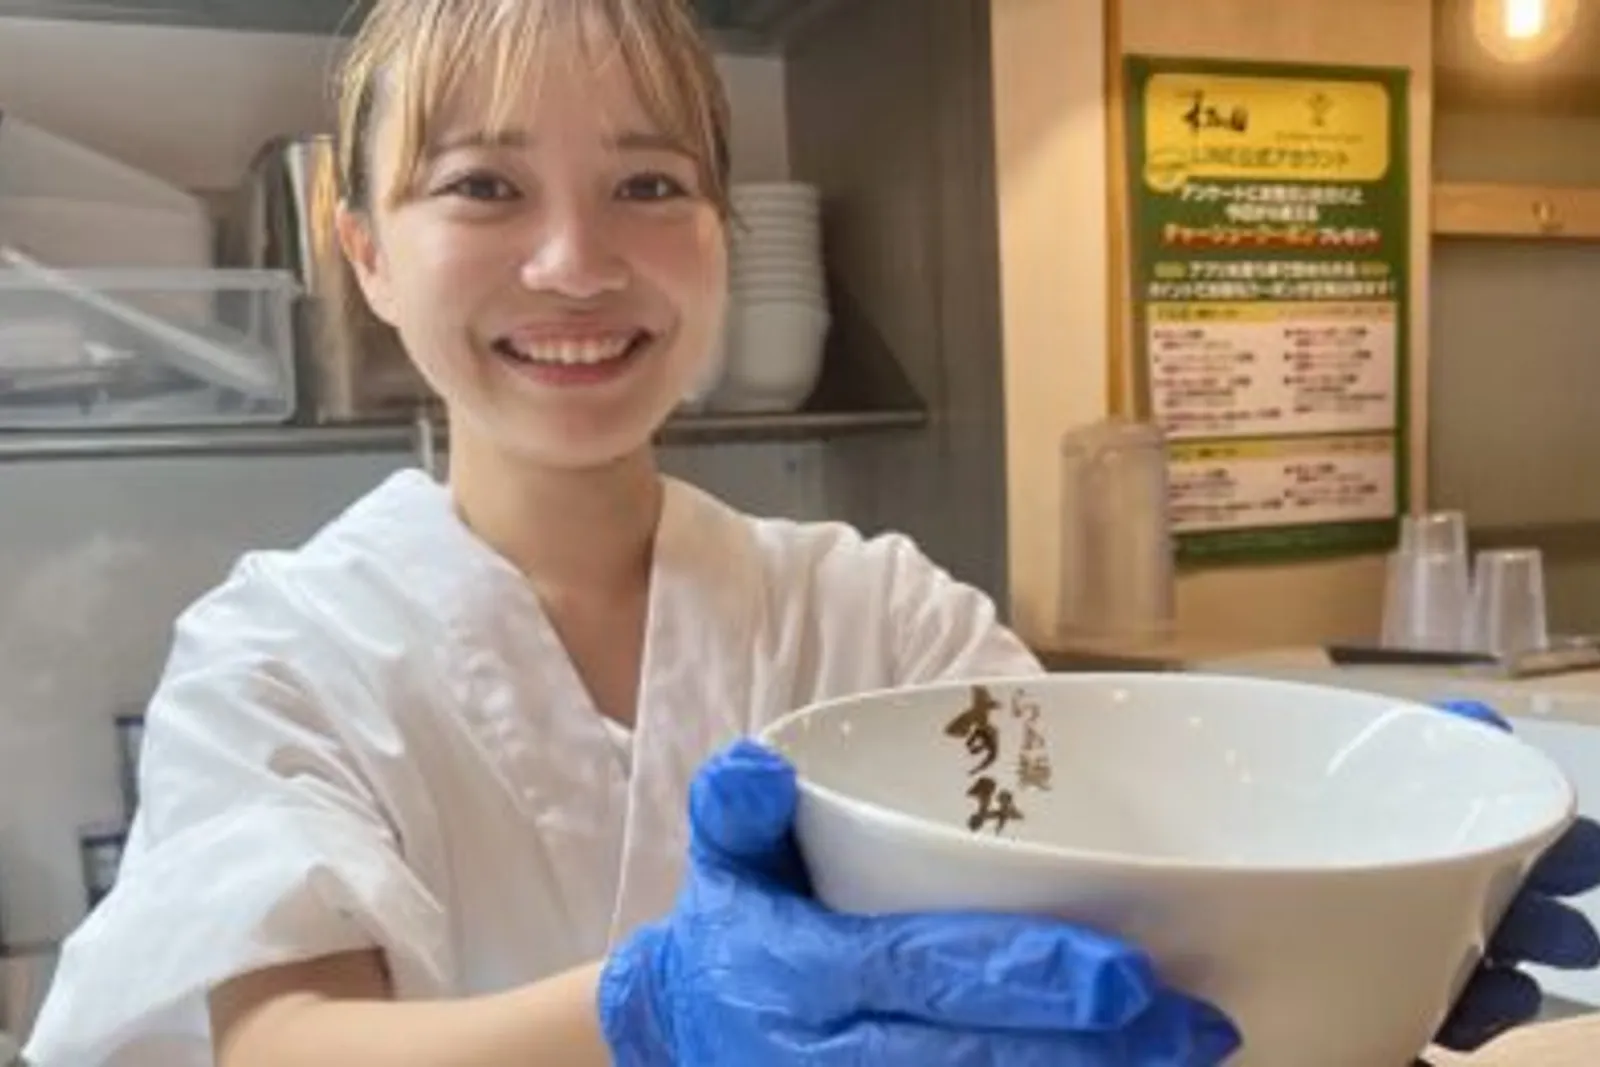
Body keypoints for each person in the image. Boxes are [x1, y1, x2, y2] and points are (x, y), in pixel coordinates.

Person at [22, 0, 1600, 1063]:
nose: (576, 263)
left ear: (721, 234)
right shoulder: (280, 650)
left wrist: (1354, 903)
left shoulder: (885, 615)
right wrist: (655, 1007)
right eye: (484, 187)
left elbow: (1093, 907)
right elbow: (284, 1045)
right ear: (365, 251)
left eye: (648, 183)